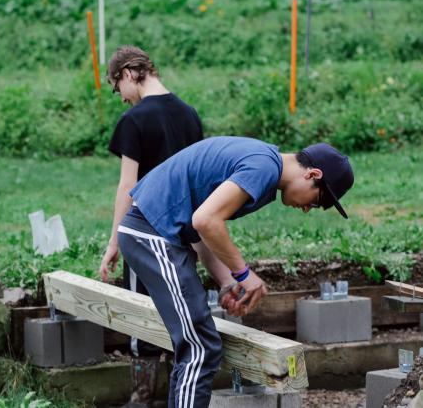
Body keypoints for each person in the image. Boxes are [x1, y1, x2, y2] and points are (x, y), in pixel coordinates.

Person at [117, 136, 354, 408]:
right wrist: (243, 274)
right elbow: (206, 221)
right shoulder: (263, 168)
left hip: (156, 232)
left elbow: (199, 226)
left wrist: (227, 281)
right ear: (313, 174)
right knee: (200, 348)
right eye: (315, 201)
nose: (306, 210)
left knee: (195, 344)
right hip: (151, 234)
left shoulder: (263, 162)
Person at [99, 45, 203, 407]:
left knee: (140, 317)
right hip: (182, 233)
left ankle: (141, 399)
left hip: (144, 233)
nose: (121, 98)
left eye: (117, 88)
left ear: (129, 73)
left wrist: (114, 241)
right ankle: (180, 396)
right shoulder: (189, 115)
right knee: (182, 317)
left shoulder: (135, 120)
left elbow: (128, 186)